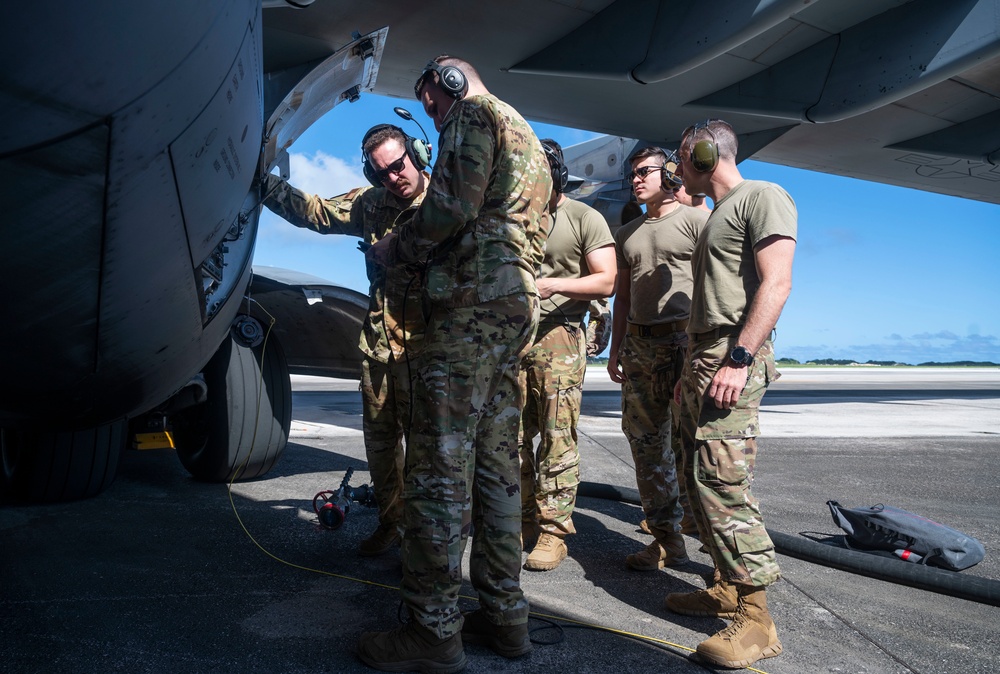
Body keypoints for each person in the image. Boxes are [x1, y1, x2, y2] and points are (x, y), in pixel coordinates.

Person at [358, 55, 552, 672]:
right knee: (497, 469)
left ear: (449, 83)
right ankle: (505, 617)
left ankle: (432, 630)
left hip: (468, 307)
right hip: (513, 308)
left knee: (438, 469)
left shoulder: (472, 114)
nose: (434, 120)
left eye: (432, 104)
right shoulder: (529, 137)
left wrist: (398, 249)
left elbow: (450, 209)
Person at [261, 123, 432, 557]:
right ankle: (392, 522)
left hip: (431, 352)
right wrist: (261, 182)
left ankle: (428, 545)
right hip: (379, 348)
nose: (394, 177)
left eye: (399, 165)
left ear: (417, 153)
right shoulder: (372, 204)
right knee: (380, 448)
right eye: (382, 173)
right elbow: (316, 213)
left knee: (430, 455)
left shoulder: (448, 205)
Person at [666, 119, 796, 669]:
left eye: (680, 157)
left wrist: (739, 359)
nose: (675, 169)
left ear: (702, 152)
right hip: (702, 357)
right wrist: (689, 372)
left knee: (722, 482)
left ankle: (757, 619)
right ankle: (723, 584)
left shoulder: (761, 196)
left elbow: (777, 281)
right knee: (692, 475)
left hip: (731, 354)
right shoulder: (715, 213)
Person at [606, 147, 709, 572]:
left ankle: (715, 551)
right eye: (632, 173)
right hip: (640, 349)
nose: (636, 179)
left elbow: (714, 288)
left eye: (644, 171)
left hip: (682, 347)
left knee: (692, 450)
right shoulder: (628, 232)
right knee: (646, 445)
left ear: (669, 172)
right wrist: (616, 349)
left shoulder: (699, 222)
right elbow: (624, 298)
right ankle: (666, 540)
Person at [519, 139, 616, 571]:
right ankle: (520, 519)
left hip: (559, 336)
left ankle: (553, 532)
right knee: (510, 439)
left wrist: (556, 285)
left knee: (557, 438)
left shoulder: (583, 217)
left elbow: (606, 281)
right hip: (513, 340)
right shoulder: (515, 218)